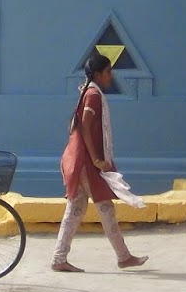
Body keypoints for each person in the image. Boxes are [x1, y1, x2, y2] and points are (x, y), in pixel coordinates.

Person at [51, 51, 147, 272]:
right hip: (87, 162)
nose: (110, 76)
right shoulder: (93, 95)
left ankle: (59, 258)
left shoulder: (88, 93)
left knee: (77, 209)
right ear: (98, 74)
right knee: (104, 208)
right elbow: (85, 126)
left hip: (79, 160)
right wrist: (96, 159)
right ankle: (123, 257)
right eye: (108, 72)